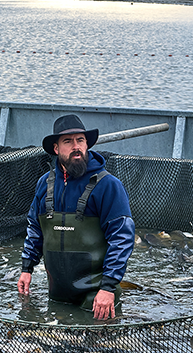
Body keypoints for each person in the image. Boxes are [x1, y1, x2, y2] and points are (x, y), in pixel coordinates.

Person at [17, 114, 135, 320]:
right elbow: (35, 228)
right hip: (57, 295)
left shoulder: (108, 186)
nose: (76, 146)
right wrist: (27, 268)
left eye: (80, 140)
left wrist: (108, 288)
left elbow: (121, 239)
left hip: (97, 298)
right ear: (56, 149)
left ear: (87, 144)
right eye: (68, 141)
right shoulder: (44, 184)